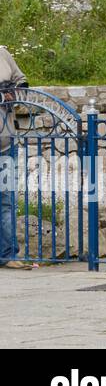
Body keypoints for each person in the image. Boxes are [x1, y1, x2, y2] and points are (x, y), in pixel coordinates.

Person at [0, 45, 31, 269]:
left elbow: (21, 81)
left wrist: (13, 93)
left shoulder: (2, 53)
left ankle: (9, 255)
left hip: (5, 143)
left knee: (7, 201)